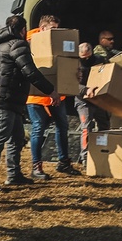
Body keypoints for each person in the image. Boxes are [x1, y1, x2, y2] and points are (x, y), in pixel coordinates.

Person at [0, 15, 56, 187]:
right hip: (6, 100)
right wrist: (51, 91)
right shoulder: (17, 45)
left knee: (16, 138)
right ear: (23, 30)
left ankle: (14, 175)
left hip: (5, 99)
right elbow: (30, 72)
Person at [26, 14, 75, 180]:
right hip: (36, 97)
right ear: (42, 28)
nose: (56, 32)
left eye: (57, 29)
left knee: (63, 126)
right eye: (52, 29)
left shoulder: (59, 42)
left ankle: (64, 162)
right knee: (38, 127)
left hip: (57, 96)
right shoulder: (29, 42)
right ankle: (36, 166)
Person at [75, 42, 109, 170]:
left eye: (89, 56)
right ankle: (85, 158)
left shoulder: (99, 60)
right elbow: (70, 84)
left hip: (99, 98)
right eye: (84, 57)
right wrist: (86, 90)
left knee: (104, 126)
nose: (87, 60)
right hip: (83, 99)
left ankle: (103, 151)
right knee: (86, 128)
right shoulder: (74, 64)